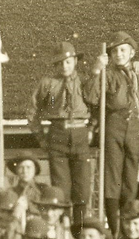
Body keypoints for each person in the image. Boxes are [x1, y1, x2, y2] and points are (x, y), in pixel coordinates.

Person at [95, 32, 139, 233]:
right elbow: (91, 95)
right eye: (114, 51)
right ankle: (114, 230)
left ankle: (129, 226)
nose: (119, 54)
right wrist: (97, 70)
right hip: (114, 123)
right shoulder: (107, 75)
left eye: (123, 50)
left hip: (135, 126)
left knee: (131, 175)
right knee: (113, 176)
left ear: (132, 53)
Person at [29, 42, 95, 226]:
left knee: (82, 189)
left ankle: (79, 232)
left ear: (75, 61)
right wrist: (41, 137)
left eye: (67, 62)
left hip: (81, 133)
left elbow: (97, 104)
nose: (64, 66)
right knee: (61, 189)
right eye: (59, 63)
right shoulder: (48, 84)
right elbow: (33, 111)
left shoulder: (85, 82)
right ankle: (64, 234)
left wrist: (91, 129)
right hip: (57, 134)